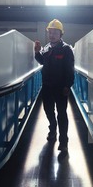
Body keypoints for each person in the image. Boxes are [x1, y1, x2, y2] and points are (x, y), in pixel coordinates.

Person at [34, 19, 75, 152]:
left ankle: (63, 141)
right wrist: (37, 52)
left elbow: (70, 69)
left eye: (55, 32)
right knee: (48, 110)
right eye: (50, 32)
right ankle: (53, 129)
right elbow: (42, 62)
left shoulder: (66, 49)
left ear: (60, 34)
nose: (52, 35)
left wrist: (67, 86)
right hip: (47, 87)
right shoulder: (46, 48)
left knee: (62, 114)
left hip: (61, 88)